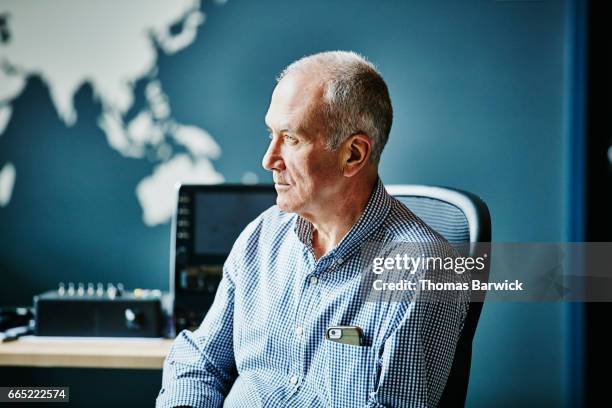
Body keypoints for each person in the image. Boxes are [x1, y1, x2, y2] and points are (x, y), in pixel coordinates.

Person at [157, 51, 468, 408]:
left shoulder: (425, 270)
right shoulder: (263, 237)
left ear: (353, 154)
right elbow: (200, 362)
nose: (268, 159)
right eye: (271, 134)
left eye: (291, 139)